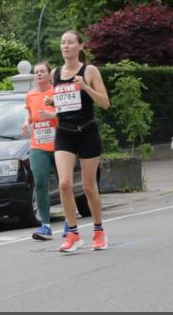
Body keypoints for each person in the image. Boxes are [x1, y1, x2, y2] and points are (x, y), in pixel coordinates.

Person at [44, 30, 110, 253]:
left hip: (87, 131)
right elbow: (63, 106)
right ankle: (73, 234)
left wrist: (86, 87)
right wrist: (52, 102)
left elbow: (105, 103)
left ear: (80, 46)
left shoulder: (89, 71)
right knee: (64, 184)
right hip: (64, 132)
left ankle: (99, 230)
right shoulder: (55, 73)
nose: (66, 46)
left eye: (70, 42)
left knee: (90, 187)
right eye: (63, 43)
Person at [22, 62, 58, 240]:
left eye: (42, 71)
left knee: (64, 184)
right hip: (38, 145)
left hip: (59, 144)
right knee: (41, 183)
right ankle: (45, 225)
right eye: (36, 72)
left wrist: (54, 115)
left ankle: (70, 224)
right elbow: (30, 114)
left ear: (49, 74)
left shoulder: (56, 92)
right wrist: (27, 122)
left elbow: (68, 113)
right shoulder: (30, 95)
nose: (39, 74)